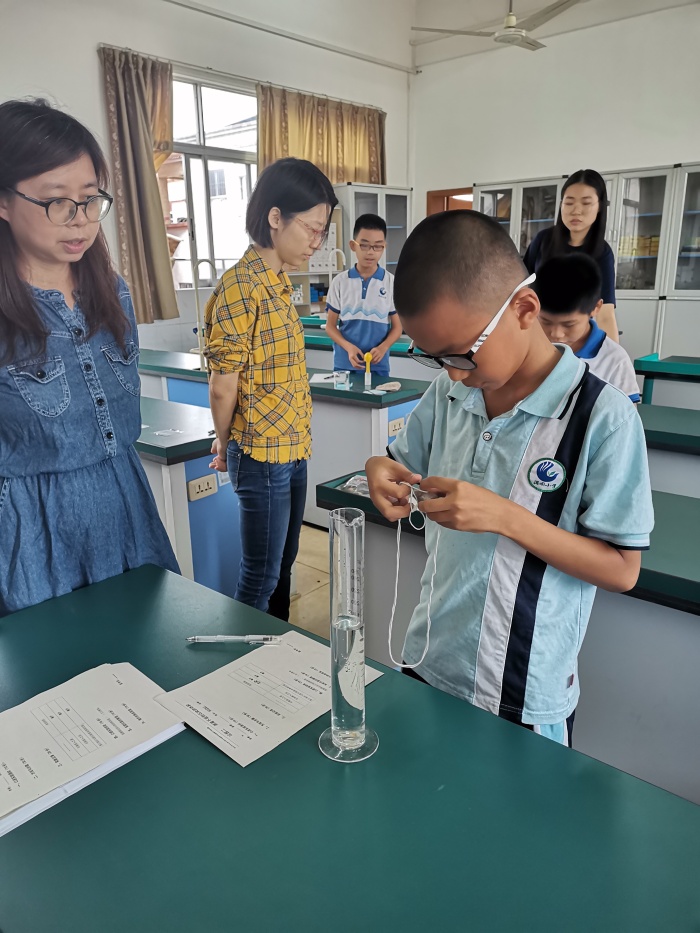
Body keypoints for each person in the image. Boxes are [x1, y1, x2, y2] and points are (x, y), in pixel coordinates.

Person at [366, 210, 653, 746]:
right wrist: (379, 470)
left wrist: (504, 517)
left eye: (462, 354)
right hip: (429, 657)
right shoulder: (452, 391)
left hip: (521, 690)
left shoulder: (602, 417)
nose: (454, 373)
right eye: (434, 358)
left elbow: (622, 570)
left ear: (524, 309)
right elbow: (397, 460)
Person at [0, 99, 178, 616]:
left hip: (126, 507)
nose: (79, 220)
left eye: (90, 199)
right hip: (34, 530)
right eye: (57, 201)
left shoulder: (112, 291)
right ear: (4, 201)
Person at [205, 158, 337, 621]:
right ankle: (246, 658)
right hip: (260, 453)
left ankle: (280, 651)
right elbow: (223, 385)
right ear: (275, 217)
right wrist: (224, 443)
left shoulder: (278, 282)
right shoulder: (240, 287)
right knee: (259, 576)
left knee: (283, 565)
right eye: (312, 229)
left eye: (323, 232)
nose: (316, 242)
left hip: (293, 447)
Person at [523, 169, 619, 342]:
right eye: (569, 203)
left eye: (586, 203)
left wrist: (614, 355)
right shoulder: (543, 240)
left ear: (600, 207)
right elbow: (520, 288)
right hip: (537, 332)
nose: (576, 211)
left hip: (575, 339)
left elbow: (605, 314)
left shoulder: (602, 253)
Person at [535, 254, 640, 403]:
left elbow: (628, 413)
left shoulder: (614, 360)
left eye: (569, 324)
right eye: (545, 321)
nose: (556, 334)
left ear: (596, 307)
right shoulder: (529, 345)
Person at [324, 213, 402, 376]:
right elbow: (330, 326)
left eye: (377, 246)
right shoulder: (340, 282)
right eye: (364, 245)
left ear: (384, 247)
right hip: (344, 364)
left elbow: (398, 327)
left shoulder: (391, 283)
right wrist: (349, 348)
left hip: (378, 365)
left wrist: (383, 347)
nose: (371, 252)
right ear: (353, 245)